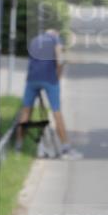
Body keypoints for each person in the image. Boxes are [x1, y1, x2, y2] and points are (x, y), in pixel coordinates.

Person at [16, 28, 81, 159]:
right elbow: (60, 60)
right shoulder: (55, 40)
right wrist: (58, 76)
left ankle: (18, 146)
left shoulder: (35, 40)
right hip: (49, 79)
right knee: (56, 111)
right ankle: (66, 148)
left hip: (32, 79)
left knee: (26, 111)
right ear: (55, 33)